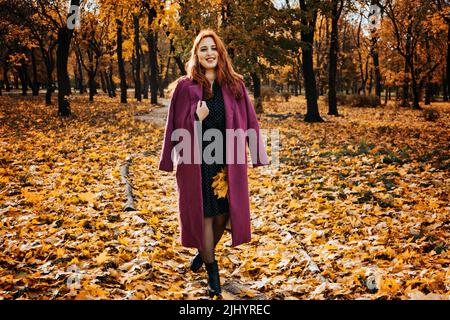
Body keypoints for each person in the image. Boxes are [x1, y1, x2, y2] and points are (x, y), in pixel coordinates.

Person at [158, 29, 269, 298]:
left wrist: (258, 154)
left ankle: (203, 254)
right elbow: (174, 124)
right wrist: (196, 119)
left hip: (226, 160)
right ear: (196, 54)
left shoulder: (235, 85)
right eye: (203, 49)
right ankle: (212, 272)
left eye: (213, 48)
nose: (209, 53)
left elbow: (250, 121)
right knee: (205, 216)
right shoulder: (185, 87)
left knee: (222, 215)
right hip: (196, 160)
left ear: (220, 53)